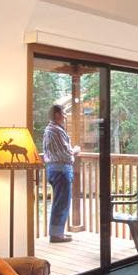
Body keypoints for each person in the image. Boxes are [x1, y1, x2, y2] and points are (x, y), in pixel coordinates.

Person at [42, 104, 80, 243]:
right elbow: (65, 152)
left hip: (53, 169)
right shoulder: (56, 130)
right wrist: (76, 150)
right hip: (61, 170)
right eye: (63, 113)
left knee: (59, 202)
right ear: (57, 115)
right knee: (62, 203)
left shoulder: (48, 129)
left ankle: (57, 233)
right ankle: (57, 235)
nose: (65, 116)